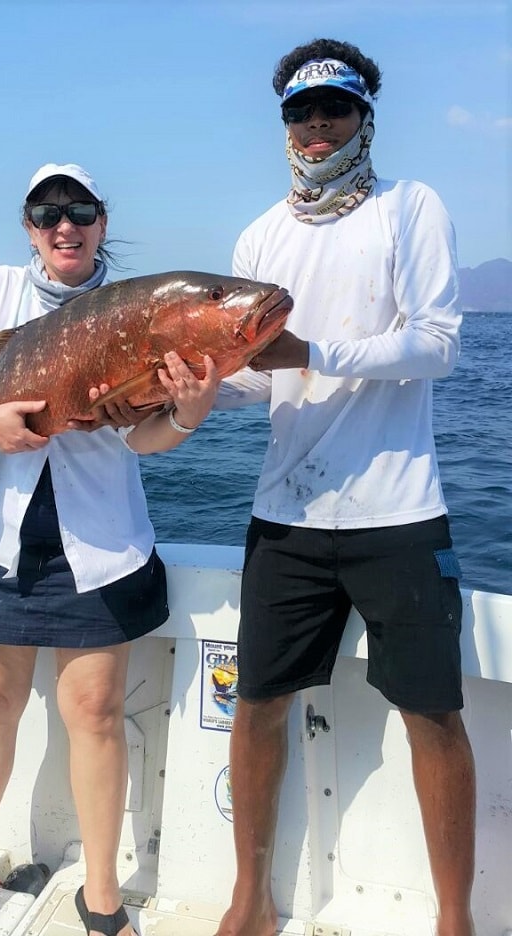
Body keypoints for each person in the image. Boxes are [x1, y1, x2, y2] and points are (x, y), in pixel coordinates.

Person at [0, 162, 219, 936]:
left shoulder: (141, 310)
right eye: (47, 213)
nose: (64, 226)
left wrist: (189, 412)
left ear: (102, 223)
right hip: (3, 535)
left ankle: (103, 893)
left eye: (80, 211)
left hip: (100, 542)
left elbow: (144, 441)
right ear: (28, 228)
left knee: (94, 711)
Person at [213, 39, 476, 936]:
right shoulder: (259, 235)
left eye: (334, 107)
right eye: (299, 111)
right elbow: (258, 377)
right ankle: (249, 900)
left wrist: (314, 351)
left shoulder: (412, 207)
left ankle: (453, 919)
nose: (316, 124)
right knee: (257, 705)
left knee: (434, 716)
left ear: (367, 115)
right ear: (283, 123)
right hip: (285, 513)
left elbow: (438, 342)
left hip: (400, 512)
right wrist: (199, 389)